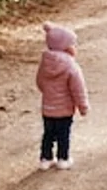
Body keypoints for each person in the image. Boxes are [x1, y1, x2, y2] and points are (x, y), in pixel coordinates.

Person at [35, 21, 90, 171]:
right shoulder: (71, 66)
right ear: (66, 47)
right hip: (64, 110)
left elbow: (39, 82)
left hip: (47, 108)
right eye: (72, 44)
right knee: (63, 135)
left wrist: (47, 93)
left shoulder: (44, 63)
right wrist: (82, 106)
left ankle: (45, 158)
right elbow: (78, 89)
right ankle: (63, 159)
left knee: (48, 134)